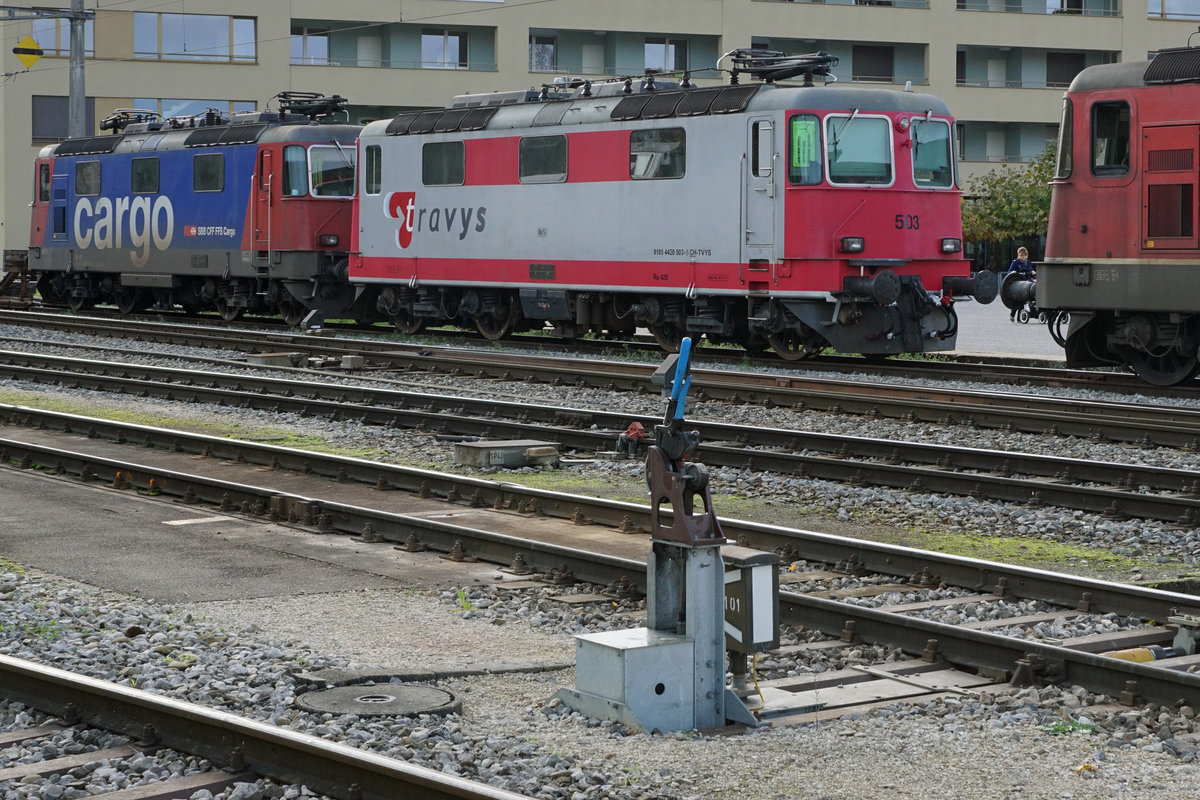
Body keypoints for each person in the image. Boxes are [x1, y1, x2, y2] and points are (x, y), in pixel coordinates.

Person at [1006, 246, 1035, 321]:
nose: (1023, 257)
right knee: (1018, 300)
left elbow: (1030, 272)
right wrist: (1013, 272)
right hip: (1019, 282)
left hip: (1027, 281)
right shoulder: (1015, 262)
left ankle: (1020, 317)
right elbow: (1010, 271)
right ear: (1018, 255)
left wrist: (1032, 272)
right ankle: (1012, 314)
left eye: (1025, 255)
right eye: (1021, 255)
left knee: (1024, 300)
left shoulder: (1028, 262)